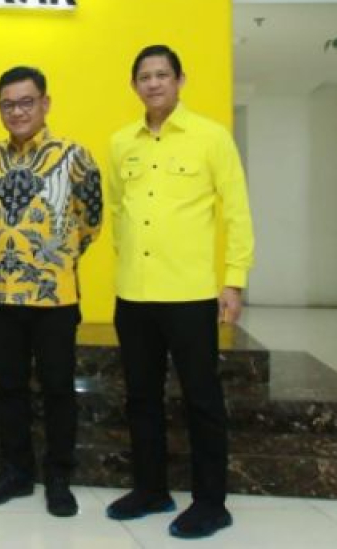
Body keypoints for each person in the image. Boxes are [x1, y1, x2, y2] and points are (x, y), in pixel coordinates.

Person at [106, 44, 255, 540]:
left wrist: (233, 279)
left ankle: (211, 503)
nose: (153, 83)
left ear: (179, 80)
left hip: (190, 294)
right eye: (144, 76)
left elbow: (236, 211)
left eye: (162, 75)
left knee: (201, 399)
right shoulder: (121, 142)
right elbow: (117, 210)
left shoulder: (210, 137)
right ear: (134, 85)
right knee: (141, 398)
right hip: (134, 294)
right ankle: (151, 489)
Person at [0, 66, 102, 518]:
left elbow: (91, 221)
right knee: (9, 389)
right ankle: (16, 472)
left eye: (26, 102)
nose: (17, 112)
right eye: (8, 104)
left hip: (54, 298)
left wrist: (54, 258)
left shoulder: (75, 157)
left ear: (45, 103)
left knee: (57, 389)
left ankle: (59, 476)